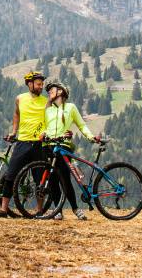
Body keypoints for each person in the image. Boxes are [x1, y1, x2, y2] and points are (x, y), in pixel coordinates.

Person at [0, 71, 49, 218]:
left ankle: (39, 211)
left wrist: (47, 132)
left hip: (39, 144)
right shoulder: (20, 99)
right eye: (38, 84)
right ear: (29, 84)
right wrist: (13, 131)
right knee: (11, 175)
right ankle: (4, 210)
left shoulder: (46, 101)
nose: (41, 87)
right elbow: (17, 114)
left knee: (39, 179)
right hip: (22, 142)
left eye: (42, 84)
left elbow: (51, 119)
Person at [39, 81, 100, 221]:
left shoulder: (71, 107)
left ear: (60, 91)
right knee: (52, 180)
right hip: (48, 146)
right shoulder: (48, 109)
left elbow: (81, 125)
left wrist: (91, 137)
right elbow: (43, 126)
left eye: (51, 90)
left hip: (63, 147)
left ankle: (75, 208)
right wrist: (42, 133)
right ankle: (57, 210)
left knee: (65, 179)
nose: (48, 92)